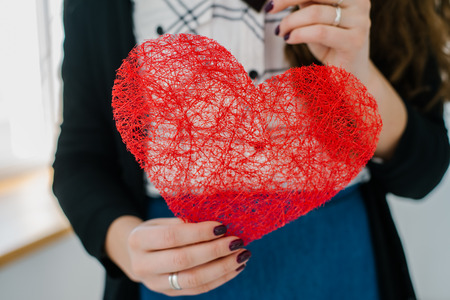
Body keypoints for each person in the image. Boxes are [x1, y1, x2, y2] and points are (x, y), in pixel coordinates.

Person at [52, 0, 450, 299]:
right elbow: (80, 160)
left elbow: (424, 170)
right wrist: (127, 245)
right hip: (179, 268)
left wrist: (356, 78)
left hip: (342, 261)